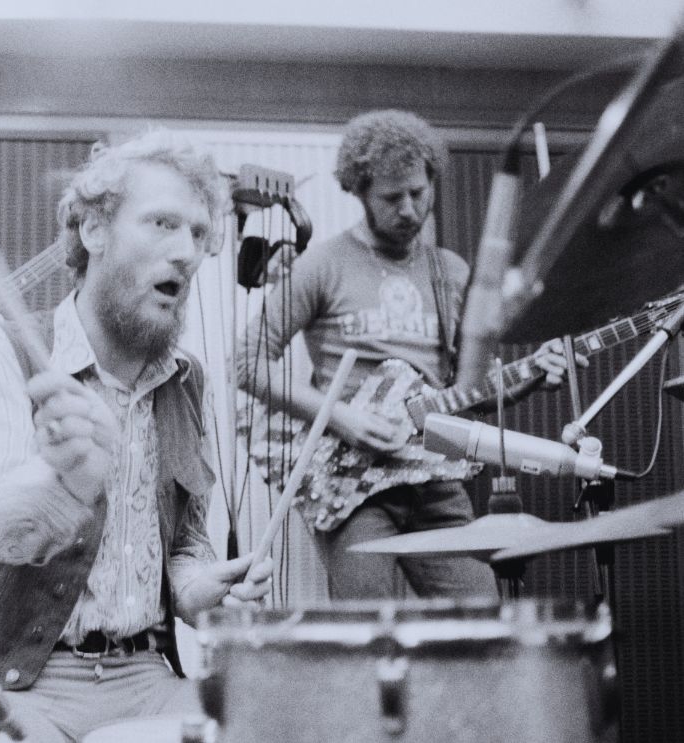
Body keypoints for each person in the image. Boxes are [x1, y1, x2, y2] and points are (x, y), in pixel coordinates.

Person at [0, 130, 274, 743]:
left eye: (198, 234)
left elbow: (186, 544)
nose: (187, 253)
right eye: (163, 224)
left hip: (149, 677)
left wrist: (202, 592)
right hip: (18, 685)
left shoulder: (187, 380)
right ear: (93, 231)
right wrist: (60, 480)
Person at [237, 109, 582, 600]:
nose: (408, 209)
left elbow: (468, 395)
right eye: (391, 197)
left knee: (480, 616)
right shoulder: (323, 265)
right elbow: (247, 363)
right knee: (368, 628)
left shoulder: (452, 273)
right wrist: (339, 417)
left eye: (418, 193)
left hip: (433, 475)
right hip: (353, 481)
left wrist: (528, 378)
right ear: (360, 192)